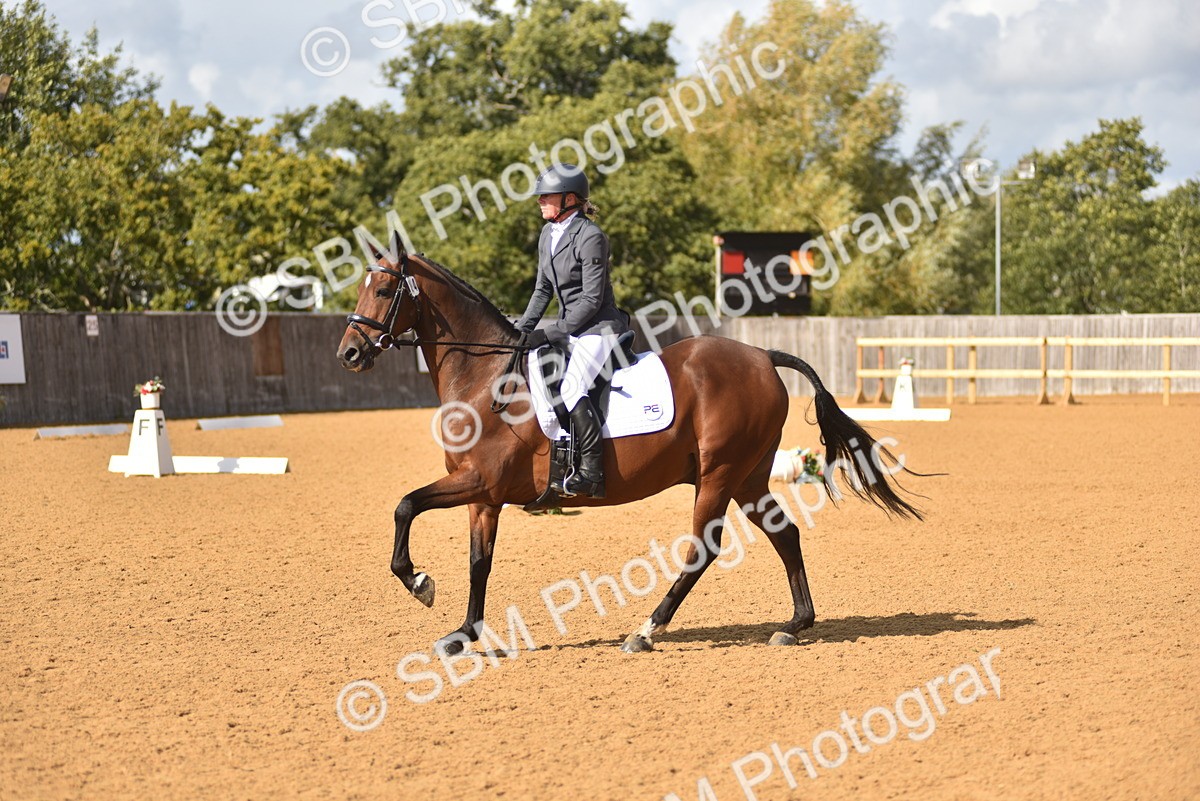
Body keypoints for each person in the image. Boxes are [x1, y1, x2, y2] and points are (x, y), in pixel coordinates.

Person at [516, 164, 630, 499]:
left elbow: (592, 300)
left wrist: (552, 332)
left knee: (571, 387)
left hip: (599, 327)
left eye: (546, 195)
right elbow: (542, 292)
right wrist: (522, 331)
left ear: (569, 199)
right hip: (571, 328)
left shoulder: (591, 236)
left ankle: (592, 472)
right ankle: (560, 457)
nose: (539, 200)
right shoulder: (546, 235)